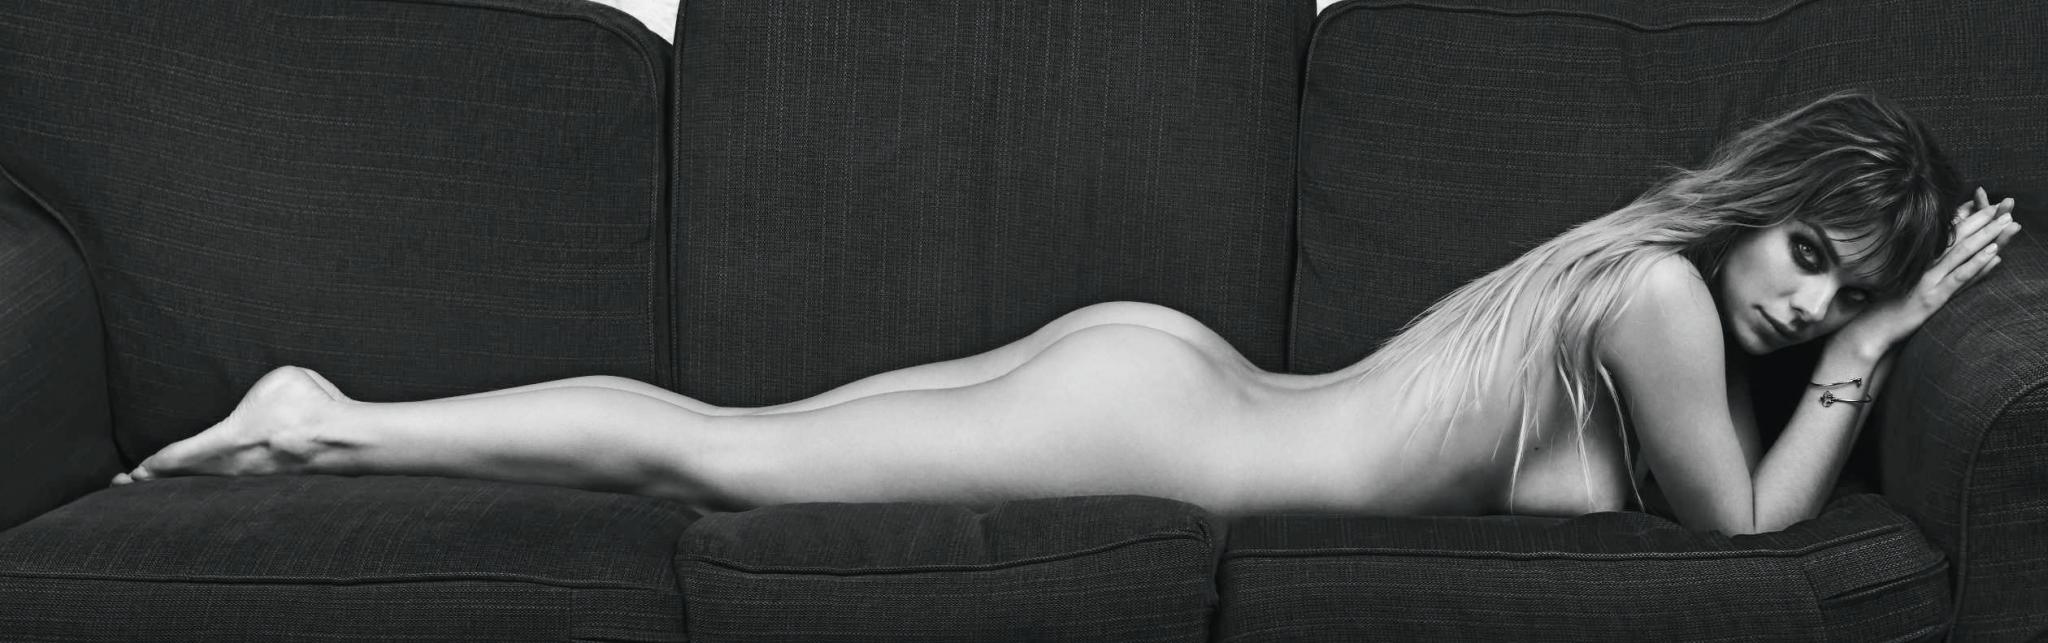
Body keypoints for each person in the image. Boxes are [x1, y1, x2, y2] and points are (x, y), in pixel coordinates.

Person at [110, 91, 2021, 535]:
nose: (1809, 305)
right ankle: (329, 417)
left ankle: (334, 422)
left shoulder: (1608, 283)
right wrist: (1883, 350)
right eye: (1810, 257)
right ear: (1758, 209)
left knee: (728, 451)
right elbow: (1744, 534)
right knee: (714, 461)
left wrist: (1873, 318)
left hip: (1168, 378)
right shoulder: (1660, 300)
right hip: (1154, 422)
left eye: (1846, 291)